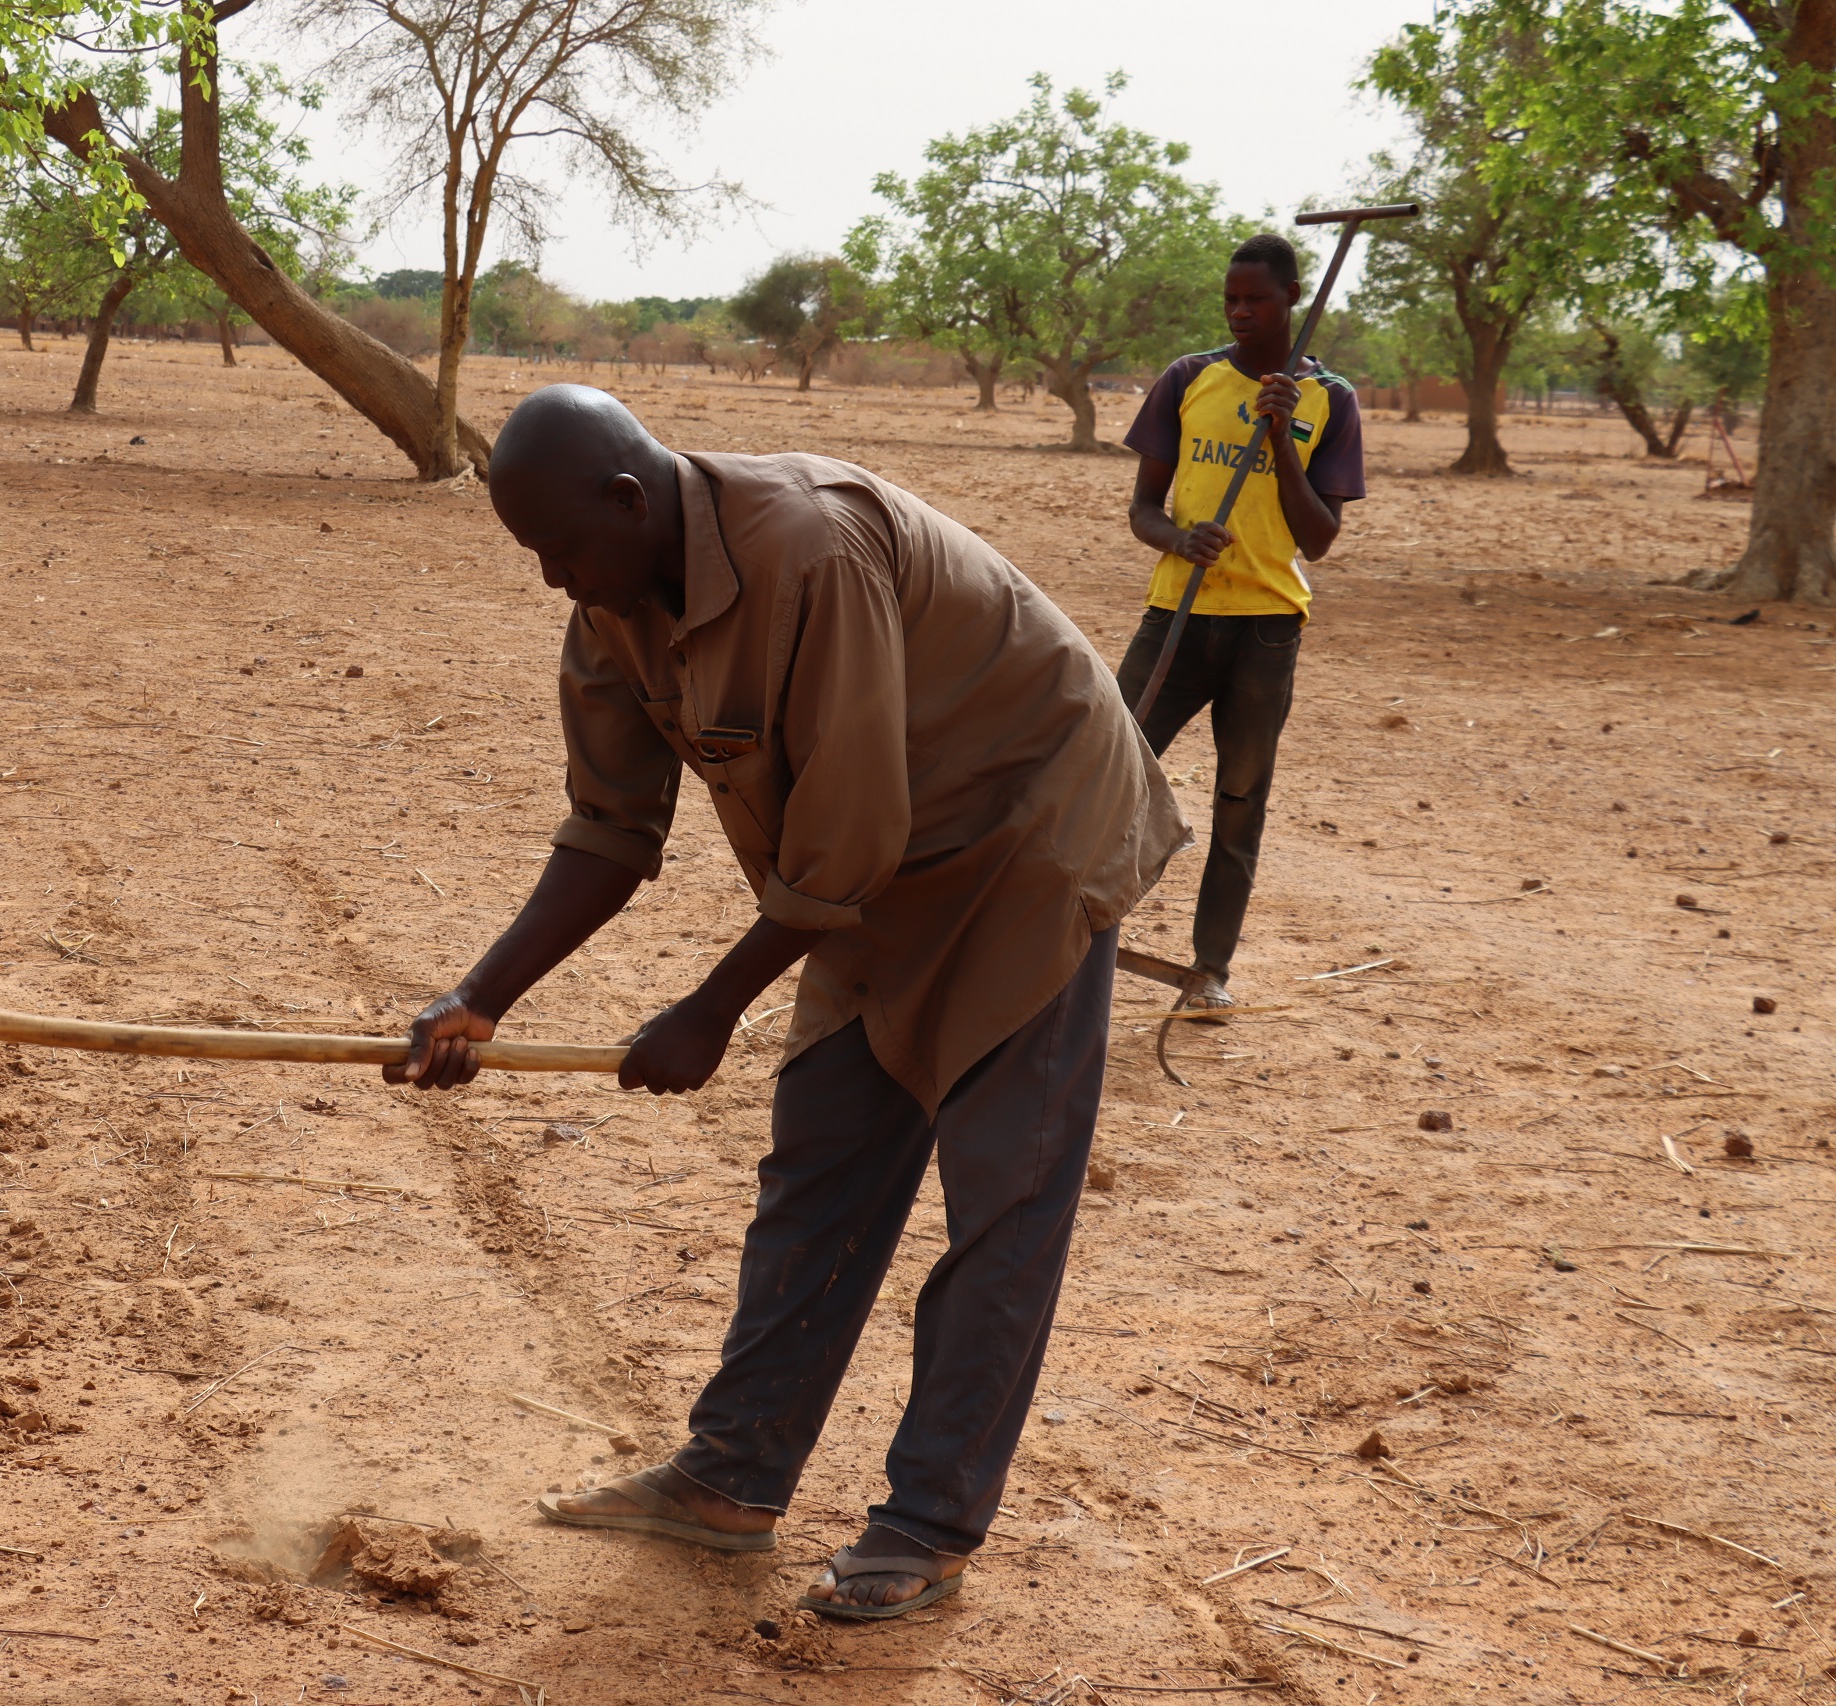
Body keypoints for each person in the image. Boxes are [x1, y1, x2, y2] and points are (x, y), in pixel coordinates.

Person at [385, 385, 1188, 1620]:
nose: (553, 581)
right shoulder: (613, 601)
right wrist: (477, 996)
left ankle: (926, 1522)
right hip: (871, 869)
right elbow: (610, 828)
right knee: (823, 1154)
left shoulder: (807, 547)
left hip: (1026, 834)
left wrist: (708, 1005)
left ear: (629, 499)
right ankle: (730, 1478)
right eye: (534, 559)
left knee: (1001, 1199)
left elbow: (848, 833)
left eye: (562, 550)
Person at [1117, 232, 1366, 1016]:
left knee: (1239, 799)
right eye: (1232, 299)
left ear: (1293, 298)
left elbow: (1319, 539)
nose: (1242, 311)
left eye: (1258, 298)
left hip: (1266, 630)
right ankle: (1071, 927)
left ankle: (1210, 968)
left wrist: (1283, 440)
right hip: (1178, 616)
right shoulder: (1189, 378)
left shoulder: (1331, 401)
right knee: (1111, 765)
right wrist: (1178, 538)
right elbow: (1142, 509)